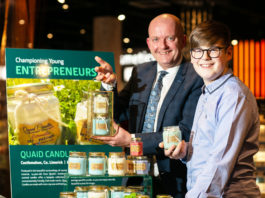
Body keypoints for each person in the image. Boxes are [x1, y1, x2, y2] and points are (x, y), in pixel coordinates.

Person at [94, 13, 203, 197]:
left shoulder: (196, 77)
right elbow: (118, 114)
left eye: (170, 38)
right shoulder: (141, 72)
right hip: (135, 177)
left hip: (175, 182)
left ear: (183, 40)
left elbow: (185, 132)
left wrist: (131, 140)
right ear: (148, 43)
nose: (163, 46)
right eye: (156, 39)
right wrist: (108, 85)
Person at [160, 20, 261, 197]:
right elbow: (211, 149)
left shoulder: (232, 95)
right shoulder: (207, 93)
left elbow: (220, 163)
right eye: (198, 51)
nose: (205, 58)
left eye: (213, 50)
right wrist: (186, 151)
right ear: (191, 56)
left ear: (228, 53)